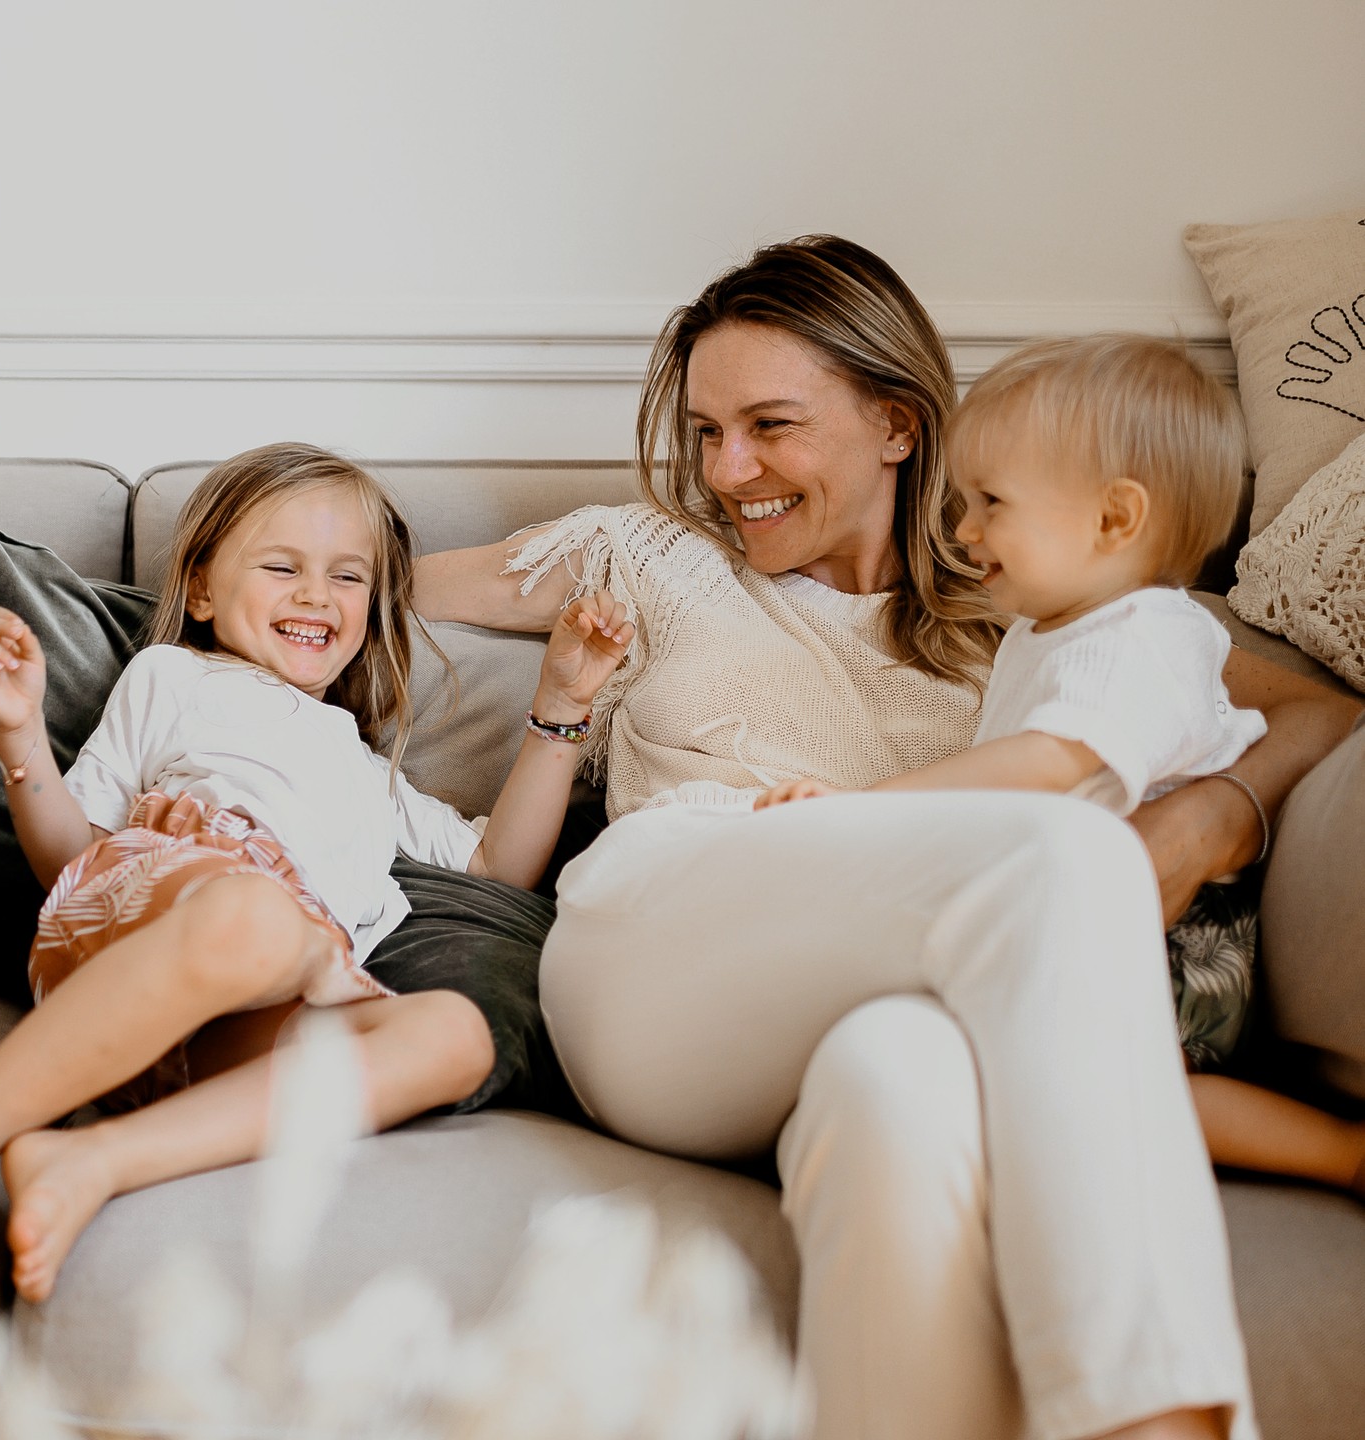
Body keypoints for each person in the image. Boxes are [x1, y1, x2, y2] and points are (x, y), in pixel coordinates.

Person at [413, 237, 1362, 1440]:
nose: (728, 470)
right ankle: (1158, 1419)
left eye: (769, 425)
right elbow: (350, 576)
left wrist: (1206, 815)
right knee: (1067, 852)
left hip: (874, 1018)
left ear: (899, 426)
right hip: (661, 965)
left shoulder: (1037, 610)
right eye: (707, 431)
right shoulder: (644, 552)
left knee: (901, 1082)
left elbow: (1317, 715)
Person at [0, 442, 631, 1302]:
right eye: (282, 566)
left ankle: (89, 1158)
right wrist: (21, 737)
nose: (315, 595)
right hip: (156, 929)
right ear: (201, 592)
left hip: (256, 1008)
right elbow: (68, 859)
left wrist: (560, 709)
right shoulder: (175, 677)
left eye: (347, 577)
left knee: (453, 1034)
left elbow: (498, 867)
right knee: (254, 919)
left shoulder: (368, 770)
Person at [757, 332, 1365, 1200]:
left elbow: (1048, 765)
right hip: (1093, 916)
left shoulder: (1143, 636)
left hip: (1170, 941)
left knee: (1113, 1090)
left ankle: (1339, 1152)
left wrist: (862, 807)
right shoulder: (1052, 628)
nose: (964, 530)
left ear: (1115, 519)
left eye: (991, 503)